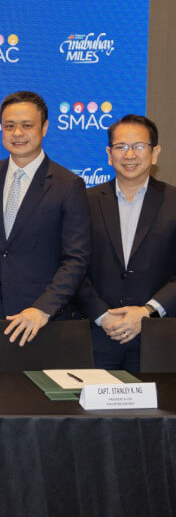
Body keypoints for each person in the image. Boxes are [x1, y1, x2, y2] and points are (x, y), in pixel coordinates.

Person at [0, 91, 90, 371]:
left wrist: (43, 309)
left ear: (44, 127)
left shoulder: (68, 185)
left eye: (27, 125)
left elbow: (75, 260)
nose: (17, 133)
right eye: (9, 126)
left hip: (40, 323)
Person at [74, 114, 176, 371]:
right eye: (121, 147)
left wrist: (147, 312)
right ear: (109, 154)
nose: (130, 155)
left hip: (158, 338)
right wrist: (102, 315)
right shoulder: (84, 201)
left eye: (139, 146)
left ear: (155, 152)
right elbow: (73, 267)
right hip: (97, 337)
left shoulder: (174, 201)